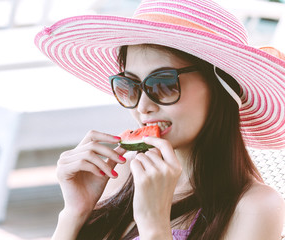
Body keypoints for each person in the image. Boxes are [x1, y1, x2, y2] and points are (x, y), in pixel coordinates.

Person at [34, 0, 285, 239]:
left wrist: (154, 224)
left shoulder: (256, 207)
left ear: (220, 90)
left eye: (164, 84)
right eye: (129, 85)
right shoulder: (122, 172)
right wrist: (74, 212)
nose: (143, 106)